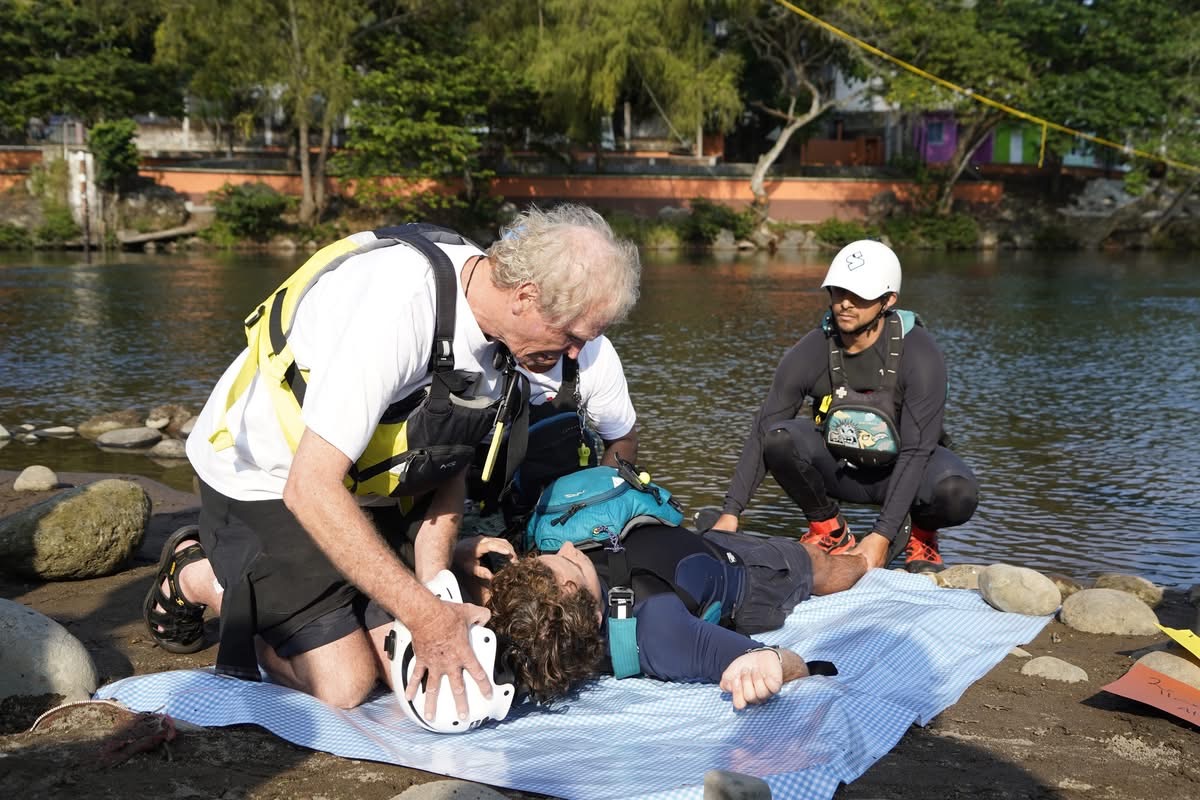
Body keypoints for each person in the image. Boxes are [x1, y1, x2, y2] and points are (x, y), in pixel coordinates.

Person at [143, 204, 641, 719]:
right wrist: (426, 617)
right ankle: (200, 572)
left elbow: (449, 465)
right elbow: (309, 489)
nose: (579, 355)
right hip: (268, 478)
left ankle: (346, 598)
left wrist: (435, 582)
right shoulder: (399, 307)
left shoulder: (501, 336)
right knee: (345, 684)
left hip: (369, 484)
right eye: (576, 336)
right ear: (526, 296)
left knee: (417, 664)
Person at [712, 240, 978, 574]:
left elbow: (916, 450)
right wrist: (730, 513)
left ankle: (921, 534)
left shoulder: (921, 354)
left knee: (957, 493)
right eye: (838, 292)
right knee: (778, 438)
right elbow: (763, 426)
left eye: (860, 295)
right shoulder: (811, 349)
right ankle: (829, 529)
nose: (845, 304)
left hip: (906, 466)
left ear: (888, 300)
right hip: (842, 466)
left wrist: (881, 536)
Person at [466, 524, 867, 708]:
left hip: (688, 541)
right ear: (570, 591)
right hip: (747, 573)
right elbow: (787, 661)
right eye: (565, 559)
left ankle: (722, 522)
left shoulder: (530, 630)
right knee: (822, 565)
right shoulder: (660, 631)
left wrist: (462, 548)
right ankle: (867, 560)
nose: (570, 546)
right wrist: (770, 662)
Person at [466, 334, 639, 532]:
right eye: (564, 331)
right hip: (483, 506)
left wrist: (593, 512)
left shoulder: (595, 348)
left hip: (566, 511)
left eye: (575, 335)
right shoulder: (473, 346)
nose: (575, 349)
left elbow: (624, 440)